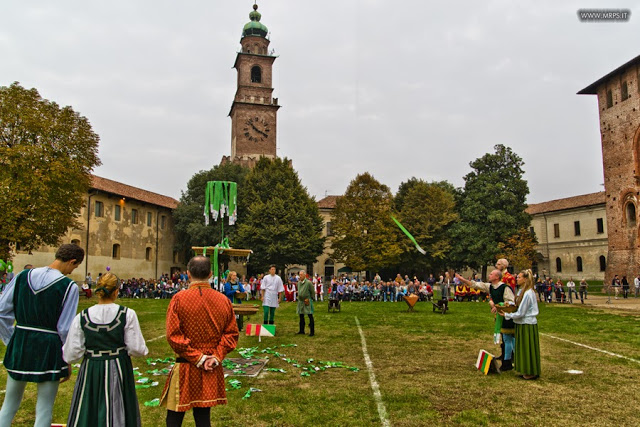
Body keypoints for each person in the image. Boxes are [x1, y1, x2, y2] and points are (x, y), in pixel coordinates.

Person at [0, 244, 84, 427]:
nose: (72, 271)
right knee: (45, 408)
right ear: (72, 262)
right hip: (49, 347)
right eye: (74, 267)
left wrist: (12, 340)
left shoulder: (22, 276)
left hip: (21, 343)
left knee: (9, 405)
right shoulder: (68, 286)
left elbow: (2, 311)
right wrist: (66, 358)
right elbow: (64, 328)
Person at [160, 256, 239, 427]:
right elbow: (231, 334)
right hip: (209, 365)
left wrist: (199, 358)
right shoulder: (223, 301)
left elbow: (173, 336)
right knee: (203, 416)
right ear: (210, 274)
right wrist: (214, 357)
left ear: (188, 274)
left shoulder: (179, 299)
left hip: (186, 364)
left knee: (174, 417)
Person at [63, 272, 148, 426]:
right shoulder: (127, 314)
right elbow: (137, 349)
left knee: (90, 405)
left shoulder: (82, 317)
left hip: (92, 367)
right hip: (119, 366)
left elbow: (72, 354)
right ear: (116, 291)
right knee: (118, 404)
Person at [456, 270, 516, 371]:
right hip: (501, 315)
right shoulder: (491, 287)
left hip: (508, 316)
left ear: (497, 277)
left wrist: (498, 306)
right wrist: (463, 280)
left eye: (491, 274)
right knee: (507, 339)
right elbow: (477, 285)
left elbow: (510, 302)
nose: (489, 275)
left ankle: (508, 362)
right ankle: (510, 360)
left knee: (508, 339)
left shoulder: (505, 288)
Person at [499, 269, 540, 380]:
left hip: (527, 324)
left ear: (525, 279)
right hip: (522, 324)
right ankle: (525, 369)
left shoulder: (528, 293)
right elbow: (518, 304)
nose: (517, 278)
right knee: (522, 348)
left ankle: (530, 371)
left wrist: (507, 315)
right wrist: (510, 304)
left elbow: (521, 312)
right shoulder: (522, 291)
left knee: (527, 348)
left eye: (519, 277)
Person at [296, 271, 315, 336]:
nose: (300, 276)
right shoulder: (298, 283)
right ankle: (301, 330)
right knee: (301, 315)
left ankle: (312, 332)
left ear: (304, 275)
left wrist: (311, 298)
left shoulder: (308, 283)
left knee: (310, 315)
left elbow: (312, 291)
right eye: (299, 275)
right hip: (300, 301)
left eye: (301, 275)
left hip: (307, 300)